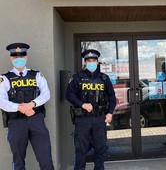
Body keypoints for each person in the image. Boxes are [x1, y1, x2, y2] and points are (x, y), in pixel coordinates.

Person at [0, 42, 54, 170]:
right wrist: (20, 108)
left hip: (36, 120)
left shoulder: (36, 75)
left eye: (22, 56)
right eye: (15, 57)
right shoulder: (5, 78)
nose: (19, 59)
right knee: (18, 162)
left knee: (45, 159)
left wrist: (31, 104)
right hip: (16, 122)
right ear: (11, 58)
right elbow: (1, 101)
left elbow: (46, 94)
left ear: (26, 57)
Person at [66, 49, 116, 170]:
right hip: (83, 119)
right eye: (89, 60)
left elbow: (112, 96)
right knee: (80, 150)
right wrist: (82, 104)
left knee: (100, 149)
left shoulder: (104, 78)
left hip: (100, 119)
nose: (91, 62)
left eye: (94, 60)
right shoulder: (77, 78)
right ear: (85, 62)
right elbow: (69, 94)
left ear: (97, 62)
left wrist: (110, 113)